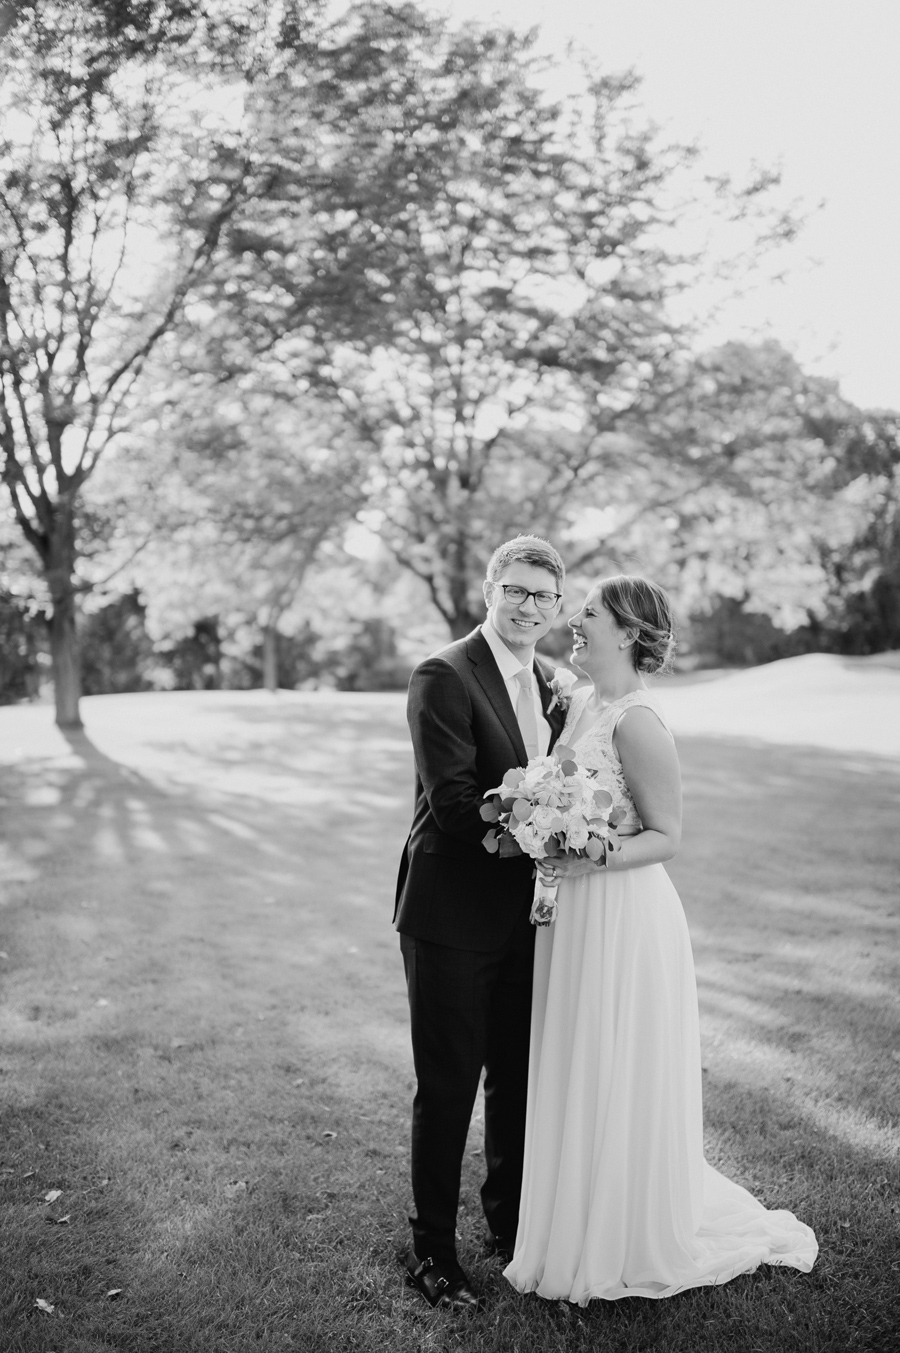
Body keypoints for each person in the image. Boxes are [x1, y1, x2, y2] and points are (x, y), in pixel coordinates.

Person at [504, 575, 818, 1303]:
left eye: (588, 615)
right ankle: (568, 1220)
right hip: (575, 915)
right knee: (577, 1058)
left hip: (624, 915)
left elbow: (667, 836)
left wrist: (586, 853)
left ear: (627, 633)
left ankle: (620, 1233)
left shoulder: (638, 721)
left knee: (614, 1064)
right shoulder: (580, 701)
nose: (572, 623)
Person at [395, 534, 568, 1313]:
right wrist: (553, 828)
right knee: (448, 1082)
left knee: (516, 1076)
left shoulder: (553, 683)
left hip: (527, 916)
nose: (528, 606)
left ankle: (508, 1226)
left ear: (557, 606)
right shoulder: (444, 673)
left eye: (543, 595)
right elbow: (457, 801)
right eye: (517, 590)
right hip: (451, 913)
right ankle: (431, 1250)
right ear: (491, 589)